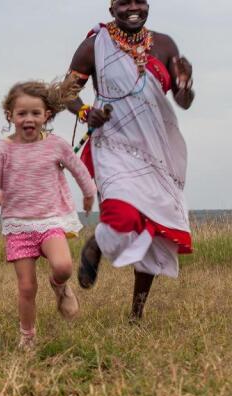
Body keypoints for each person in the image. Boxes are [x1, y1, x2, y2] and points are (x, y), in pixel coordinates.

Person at [66, 0, 194, 321]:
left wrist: (184, 84)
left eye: (140, 1)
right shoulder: (94, 46)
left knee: (151, 229)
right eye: (124, 2)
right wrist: (84, 111)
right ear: (112, 9)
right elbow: (65, 92)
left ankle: (136, 314)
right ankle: (97, 244)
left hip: (156, 149)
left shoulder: (164, 44)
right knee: (123, 214)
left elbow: (183, 101)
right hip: (113, 146)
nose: (133, 8)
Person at [0, 79, 96, 349]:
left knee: (63, 266)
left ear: (46, 116)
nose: (28, 119)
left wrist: (89, 193)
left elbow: (78, 168)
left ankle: (60, 286)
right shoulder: (3, 149)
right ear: (11, 116)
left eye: (35, 113)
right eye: (22, 114)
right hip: (18, 226)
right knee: (27, 287)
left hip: (50, 220)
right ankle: (27, 337)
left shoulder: (56, 145)